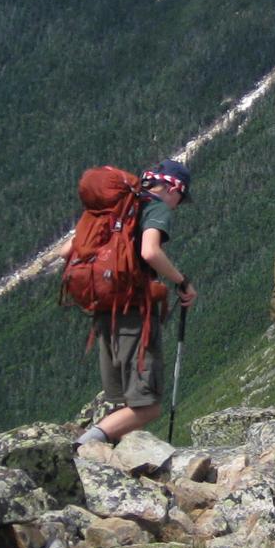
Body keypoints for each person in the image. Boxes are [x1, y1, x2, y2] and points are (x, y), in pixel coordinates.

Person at [72, 160, 199, 445]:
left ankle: (106, 458)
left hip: (104, 309)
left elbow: (68, 250)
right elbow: (150, 252)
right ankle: (81, 447)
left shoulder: (114, 207)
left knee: (121, 401)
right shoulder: (155, 207)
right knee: (146, 406)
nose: (178, 205)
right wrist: (181, 282)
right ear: (171, 188)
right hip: (133, 312)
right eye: (180, 197)